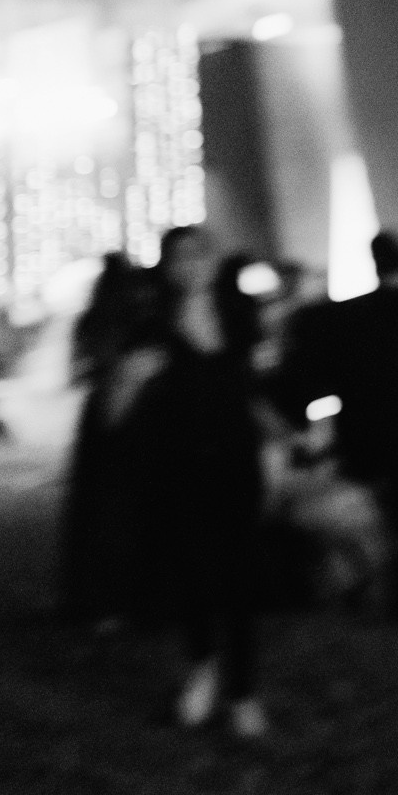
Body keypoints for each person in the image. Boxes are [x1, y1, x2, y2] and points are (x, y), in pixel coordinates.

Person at [118, 226, 270, 737]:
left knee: (243, 574)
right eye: (178, 257)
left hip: (236, 457)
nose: (190, 265)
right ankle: (202, 668)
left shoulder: (239, 312)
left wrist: (286, 438)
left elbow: (254, 387)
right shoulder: (152, 320)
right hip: (177, 461)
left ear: (212, 260)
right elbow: (116, 407)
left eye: (198, 254)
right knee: (194, 569)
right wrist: (131, 377)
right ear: (166, 266)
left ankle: (243, 690)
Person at [272, 231, 398, 622]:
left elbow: (314, 364)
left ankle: (358, 573)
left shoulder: (346, 314)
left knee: (362, 506)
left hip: (357, 425)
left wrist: (297, 412)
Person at [57, 253, 156, 623]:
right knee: (127, 507)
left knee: (97, 507)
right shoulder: (139, 320)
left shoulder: (91, 321)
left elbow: (76, 371)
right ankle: (128, 596)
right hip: (134, 416)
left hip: (98, 416)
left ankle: (96, 597)